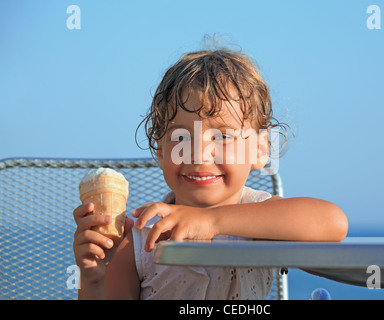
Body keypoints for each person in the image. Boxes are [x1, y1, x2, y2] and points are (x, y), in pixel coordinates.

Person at [72, 48, 348, 300]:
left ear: (260, 149)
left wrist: (210, 221)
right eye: (181, 137)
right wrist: (94, 278)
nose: (199, 154)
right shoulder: (138, 242)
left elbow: (333, 222)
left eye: (222, 136)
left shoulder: (262, 217)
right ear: (160, 149)